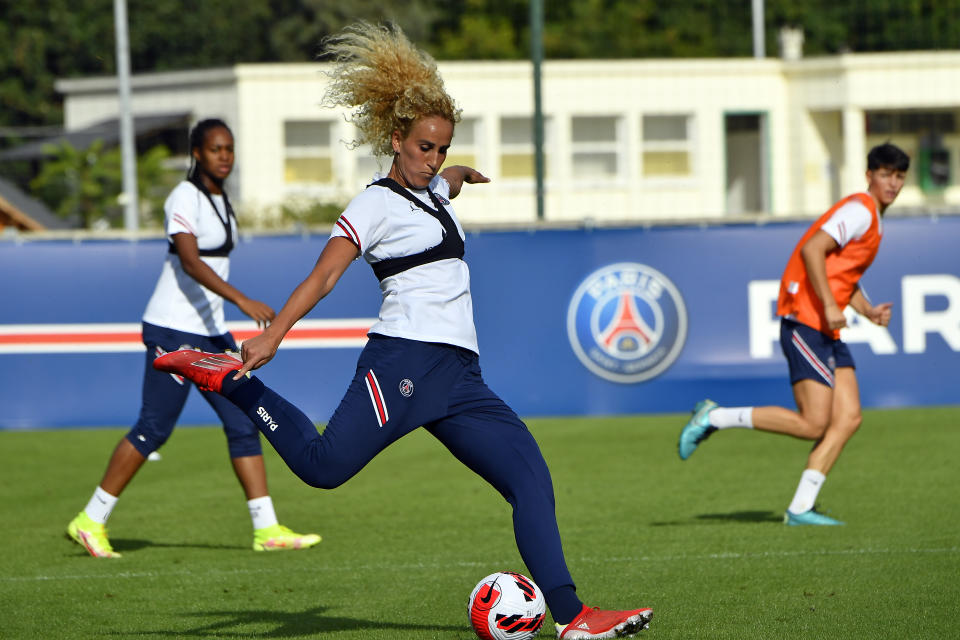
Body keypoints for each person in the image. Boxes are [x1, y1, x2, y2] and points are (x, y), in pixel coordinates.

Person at [154, 23, 652, 639]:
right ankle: (229, 382)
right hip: (406, 365)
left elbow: (442, 188)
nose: (434, 158)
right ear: (395, 140)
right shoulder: (375, 203)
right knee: (322, 468)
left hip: (461, 378)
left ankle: (574, 618)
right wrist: (275, 333)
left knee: (530, 478)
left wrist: (458, 173)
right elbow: (324, 276)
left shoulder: (434, 191)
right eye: (424, 147)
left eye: (443, 147)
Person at [66, 119, 321, 558]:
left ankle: (267, 530)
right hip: (172, 329)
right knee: (154, 428)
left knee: (244, 419)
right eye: (216, 149)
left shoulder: (221, 199)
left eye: (230, 149)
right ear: (197, 153)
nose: (225, 155)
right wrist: (243, 299)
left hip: (208, 330)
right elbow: (188, 260)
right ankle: (90, 520)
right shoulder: (184, 196)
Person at [678, 142, 910, 526]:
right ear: (869, 175)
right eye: (885, 174)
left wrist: (867, 310)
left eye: (899, 176)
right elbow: (813, 250)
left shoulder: (872, 218)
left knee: (849, 418)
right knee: (814, 423)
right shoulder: (859, 210)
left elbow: (841, 275)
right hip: (805, 320)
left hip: (825, 326)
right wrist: (831, 307)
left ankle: (801, 507)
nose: (893, 183)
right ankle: (715, 416)